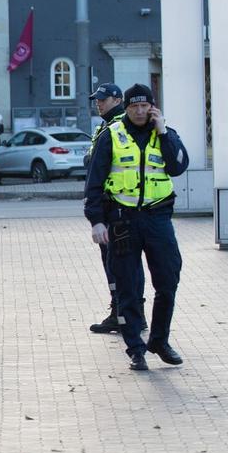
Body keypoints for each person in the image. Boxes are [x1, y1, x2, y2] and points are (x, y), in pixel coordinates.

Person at [83, 84, 189, 371]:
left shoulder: (165, 133)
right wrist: (96, 221)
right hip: (123, 220)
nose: (140, 111)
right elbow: (93, 182)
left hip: (157, 220)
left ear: (152, 107)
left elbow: (178, 166)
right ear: (126, 107)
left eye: (145, 106)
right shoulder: (112, 136)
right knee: (127, 287)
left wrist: (164, 131)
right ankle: (135, 348)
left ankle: (159, 340)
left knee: (168, 281)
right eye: (134, 107)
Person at [82, 83, 146, 336]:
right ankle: (119, 309)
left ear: (118, 100)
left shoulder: (119, 126)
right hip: (109, 205)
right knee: (113, 261)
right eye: (97, 99)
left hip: (120, 207)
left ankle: (130, 313)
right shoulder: (105, 126)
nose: (99, 103)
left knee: (124, 262)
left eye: (104, 99)